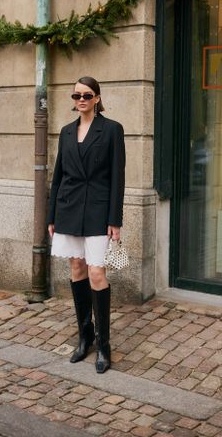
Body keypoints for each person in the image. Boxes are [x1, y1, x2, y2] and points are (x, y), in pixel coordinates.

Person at [47, 76, 126, 373]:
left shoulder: (112, 130)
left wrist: (114, 220)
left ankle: (104, 344)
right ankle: (85, 337)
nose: (81, 99)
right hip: (68, 209)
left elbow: (118, 177)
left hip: (97, 210)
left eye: (87, 95)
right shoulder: (66, 133)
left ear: (97, 98)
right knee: (77, 269)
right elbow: (58, 177)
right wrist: (51, 216)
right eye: (76, 95)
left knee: (96, 272)